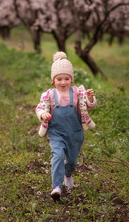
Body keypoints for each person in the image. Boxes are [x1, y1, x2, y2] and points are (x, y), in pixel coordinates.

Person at [35, 51, 97, 201]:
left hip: (75, 133)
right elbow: (40, 107)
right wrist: (43, 114)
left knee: (72, 161)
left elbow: (90, 106)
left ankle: (67, 175)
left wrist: (90, 98)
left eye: (67, 78)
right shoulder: (49, 95)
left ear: (71, 79)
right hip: (56, 132)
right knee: (57, 155)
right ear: (53, 80)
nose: (63, 82)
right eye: (59, 79)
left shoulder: (77, 92)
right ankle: (56, 186)